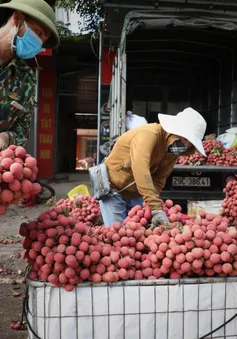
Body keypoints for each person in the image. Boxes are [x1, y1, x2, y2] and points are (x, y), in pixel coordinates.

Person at [99, 107, 207, 228]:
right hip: (114, 190)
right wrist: (155, 208)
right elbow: (141, 169)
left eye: (190, 143)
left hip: (136, 193)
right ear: (175, 131)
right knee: (117, 233)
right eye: (185, 139)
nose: (186, 145)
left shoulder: (172, 151)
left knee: (137, 234)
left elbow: (159, 179)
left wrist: (152, 204)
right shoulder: (149, 134)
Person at [0, 0, 59, 150]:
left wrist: (7, 137)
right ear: (17, 18)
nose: (38, 44)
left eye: (42, 41)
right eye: (38, 33)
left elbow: (23, 128)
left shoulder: (25, 77)